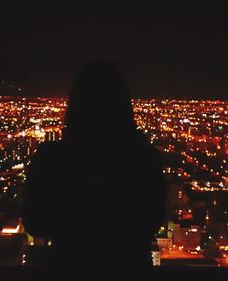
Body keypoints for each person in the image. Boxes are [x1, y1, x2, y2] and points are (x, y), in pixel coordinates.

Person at [22, 61, 167, 275]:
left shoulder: (52, 158)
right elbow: (153, 222)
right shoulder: (144, 159)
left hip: (67, 266)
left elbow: (35, 223)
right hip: (129, 268)